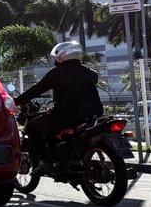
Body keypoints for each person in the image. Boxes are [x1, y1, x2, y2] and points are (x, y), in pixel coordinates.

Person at [14, 41, 104, 170]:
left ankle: (45, 161)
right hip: (93, 114)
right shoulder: (91, 73)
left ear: (63, 55)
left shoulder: (57, 73)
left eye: (57, 56)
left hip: (68, 115)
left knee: (33, 127)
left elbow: (37, 89)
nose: (56, 58)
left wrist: (18, 100)